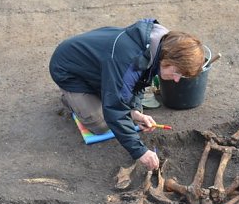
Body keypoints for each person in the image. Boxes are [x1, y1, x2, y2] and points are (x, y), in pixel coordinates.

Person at [49, 18, 205, 171]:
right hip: (68, 70)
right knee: (101, 124)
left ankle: (100, 95)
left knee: (133, 116)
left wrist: (135, 111)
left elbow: (140, 81)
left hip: (101, 67)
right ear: (168, 60)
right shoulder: (130, 60)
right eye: (177, 72)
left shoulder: (160, 46)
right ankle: (70, 98)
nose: (177, 80)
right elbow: (115, 109)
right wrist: (140, 151)